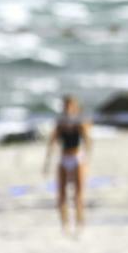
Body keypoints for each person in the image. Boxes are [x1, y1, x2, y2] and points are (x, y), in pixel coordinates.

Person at [43, 95, 92, 233]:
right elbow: (52, 142)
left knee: (78, 195)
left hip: (77, 157)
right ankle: (64, 224)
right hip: (64, 158)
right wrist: (47, 162)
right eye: (65, 106)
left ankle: (80, 222)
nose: (67, 108)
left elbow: (88, 140)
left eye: (69, 106)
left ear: (74, 107)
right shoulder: (60, 123)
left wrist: (87, 158)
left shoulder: (79, 122)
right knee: (61, 195)